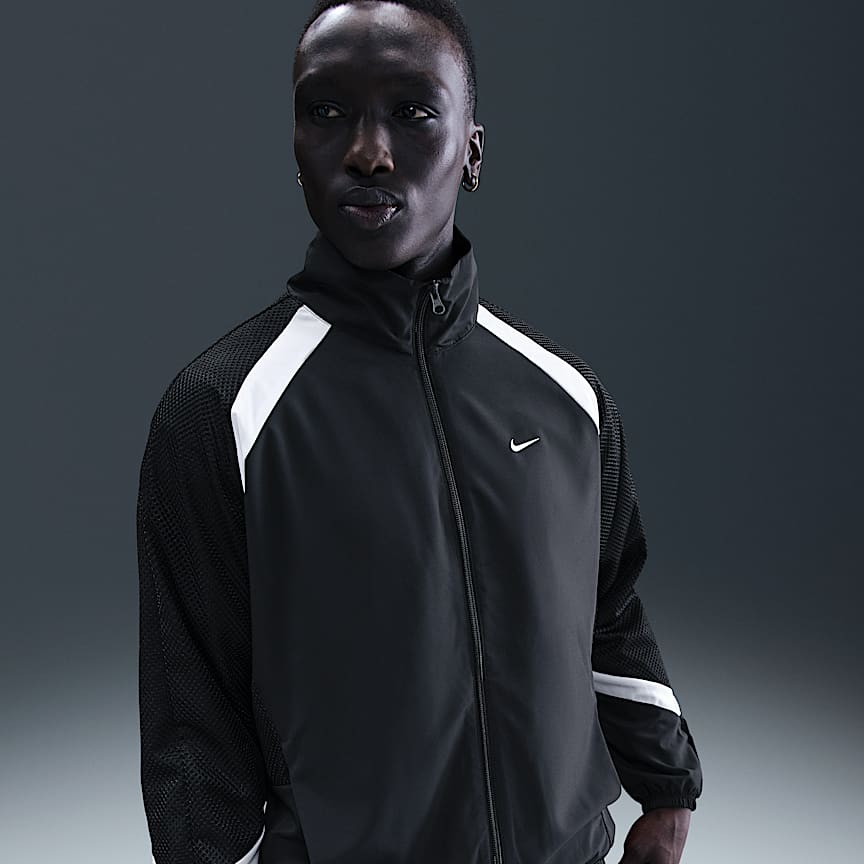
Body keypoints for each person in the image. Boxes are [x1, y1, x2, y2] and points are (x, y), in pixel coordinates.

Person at [136, 1, 703, 863]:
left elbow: (609, 609)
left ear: (472, 150)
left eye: (412, 111)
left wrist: (666, 788)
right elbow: (192, 708)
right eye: (327, 111)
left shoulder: (567, 397)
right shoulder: (221, 408)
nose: (367, 152)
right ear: (296, 147)